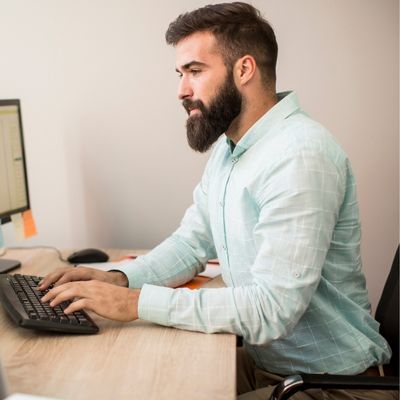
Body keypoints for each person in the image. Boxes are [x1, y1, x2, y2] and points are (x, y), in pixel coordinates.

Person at [40, 3, 395, 399]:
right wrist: (119, 280)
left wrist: (135, 303)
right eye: (180, 74)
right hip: (273, 369)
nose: (181, 90)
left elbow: (270, 310)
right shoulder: (231, 149)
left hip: (334, 386)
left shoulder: (300, 155)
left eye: (194, 71)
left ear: (244, 70)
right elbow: (192, 243)